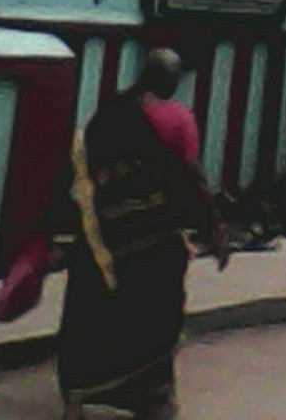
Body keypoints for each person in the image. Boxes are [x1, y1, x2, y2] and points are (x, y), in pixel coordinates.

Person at [55, 49, 230, 420]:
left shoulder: (111, 111)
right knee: (155, 313)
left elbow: (83, 168)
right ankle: (152, 396)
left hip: (100, 236)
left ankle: (78, 394)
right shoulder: (175, 119)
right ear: (170, 81)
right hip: (151, 238)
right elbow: (191, 176)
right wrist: (214, 227)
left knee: (93, 311)